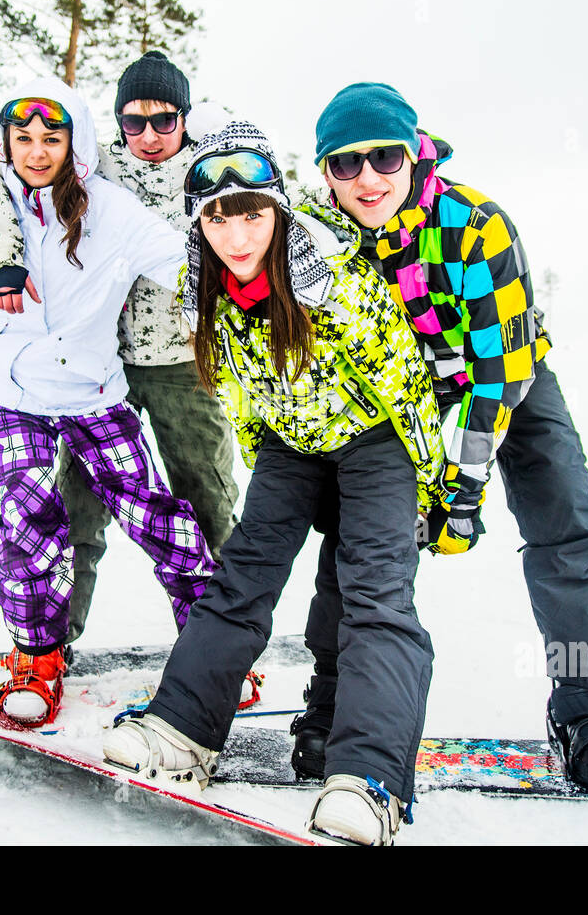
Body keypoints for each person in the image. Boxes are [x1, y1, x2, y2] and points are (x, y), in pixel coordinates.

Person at [99, 122, 445, 846]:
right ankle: (182, 729)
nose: (236, 232)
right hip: (293, 443)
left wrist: (427, 488)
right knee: (245, 569)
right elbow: (238, 395)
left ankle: (368, 779)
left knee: (375, 591)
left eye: (252, 212)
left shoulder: (333, 280)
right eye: (219, 217)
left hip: (380, 440)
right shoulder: (209, 292)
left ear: (278, 212)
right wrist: (272, 473)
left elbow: (405, 386)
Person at [298, 82, 588, 793]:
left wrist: (461, 487)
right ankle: (335, 699)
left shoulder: (474, 224)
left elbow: (500, 378)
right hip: (401, 392)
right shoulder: (321, 236)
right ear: (325, 170)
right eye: (345, 163)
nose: (368, 179)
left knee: (566, 516)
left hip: (503, 371)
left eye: (385, 157)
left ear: (415, 154)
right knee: (362, 531)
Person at [0, 76, 216, 726]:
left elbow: (183, 262)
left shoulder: (110, 210)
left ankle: (213, 647)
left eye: (51, 137)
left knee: (152, 511)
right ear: (6, 141)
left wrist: (262, 276)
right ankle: (37, 658)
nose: (36, 151)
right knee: (27, 518)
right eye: (24, 138)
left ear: (75, 141)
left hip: (93, 389)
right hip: (13, 390)